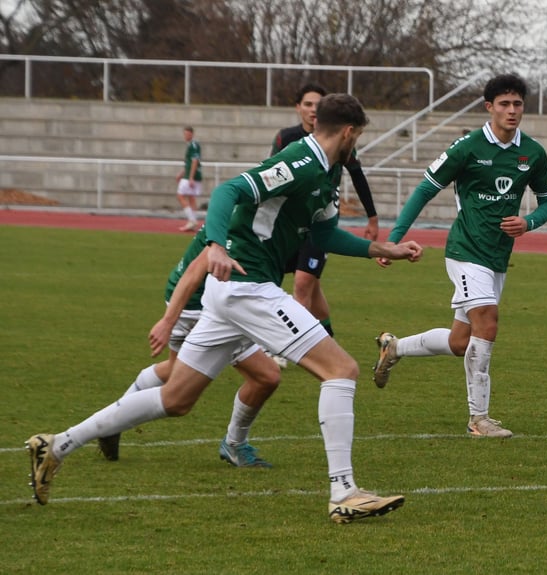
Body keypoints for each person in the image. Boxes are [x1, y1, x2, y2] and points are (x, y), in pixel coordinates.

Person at [27, 93, 424, 524]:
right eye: (358, 138)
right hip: (247, 287)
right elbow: (229, 190)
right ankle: (343, 490)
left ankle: (57, 445)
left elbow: (325, 235)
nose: (356, 147)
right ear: (349, 132)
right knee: (341, 370)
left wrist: (383, 249)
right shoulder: (300, 160)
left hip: (234, 293)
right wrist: (215, 243)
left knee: (177, 398)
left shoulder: (326, 175)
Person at [371, 73, 547, 438]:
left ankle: (394, 347)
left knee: (461, 343)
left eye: (517, 104)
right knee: (487, 323)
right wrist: (393, 240)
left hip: (497, 256)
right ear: (489, 107)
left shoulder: (532, 153)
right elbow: (425, 190)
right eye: (504, 104)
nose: (512, 110)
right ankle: (479, 420)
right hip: (464, 250)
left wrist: (529, 221)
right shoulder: (467, 147)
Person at [95, 225, 281, 468]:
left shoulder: (246, 202)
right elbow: (199, 267)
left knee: (176, 369)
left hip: (196, 297)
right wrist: (168, 320)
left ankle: (113, 421)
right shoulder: (246, 210)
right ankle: (234, 445)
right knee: (265, 376)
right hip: (200, 305)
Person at [269, 83, 381, 365]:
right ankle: (327, 339)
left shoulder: (341, 143)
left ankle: (285, 346)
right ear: (298, 108)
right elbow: (269, 177)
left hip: (320, 222)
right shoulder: (287, 141)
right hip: (291, 223)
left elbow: (358, 176)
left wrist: (372, 216)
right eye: (307, 104)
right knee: (311, 287)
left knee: (304, 284)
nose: (312, 110)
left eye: (317, 105)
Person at [175, 126, 203, 232]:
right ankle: (192, 221)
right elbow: (189, 163)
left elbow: (195, 161)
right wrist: (181, 173)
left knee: (180, 195)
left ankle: (192, 220)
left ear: (191, 134)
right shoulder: (190, 145)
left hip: (192, 176)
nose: (185, 136)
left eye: (187, 134)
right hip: (189, 175)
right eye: (184, 134)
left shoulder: (194, 145)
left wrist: (190, 177)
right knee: (191, 197)